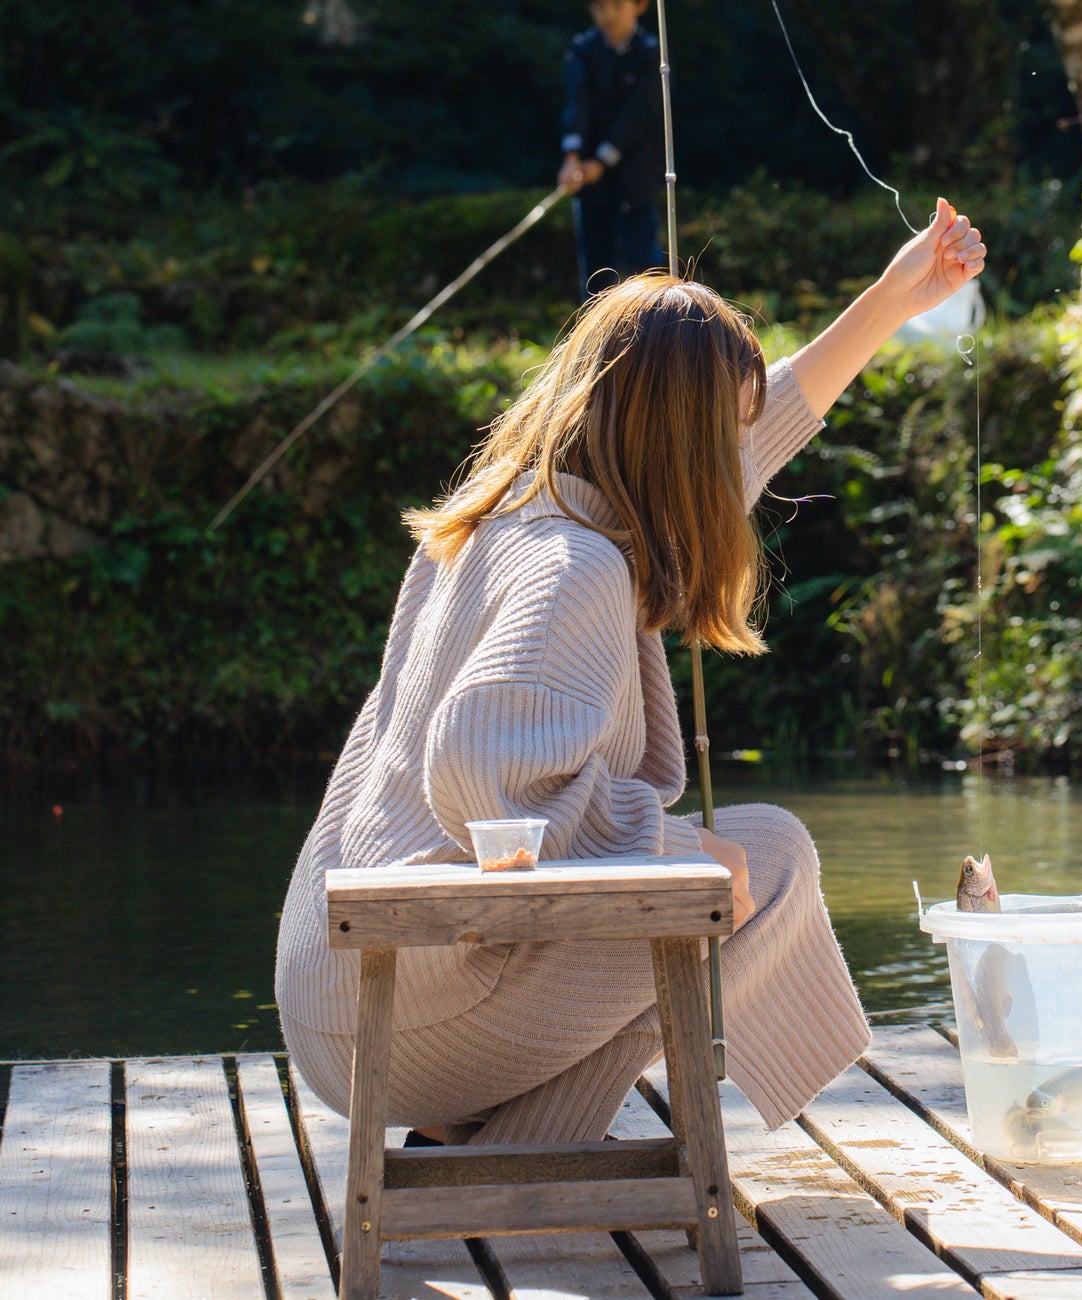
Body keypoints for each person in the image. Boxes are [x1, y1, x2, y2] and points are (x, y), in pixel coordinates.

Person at [275, 199, 987, 1144]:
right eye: (718, 434)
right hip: (412, 1013)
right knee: (762, 862)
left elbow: (756, 430)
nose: (733, 459)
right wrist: (660, 843)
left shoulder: (508, 519)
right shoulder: (577, 568)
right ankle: (524, 1153)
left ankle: (494, 1141)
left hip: (344, 991)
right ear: (676, 450)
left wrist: (896, 298)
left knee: (701, 882)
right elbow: (480, 769)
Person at [558, 0, 664, 298]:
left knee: (644, 267)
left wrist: (601, 161)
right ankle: (596, 343)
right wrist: (572, 158)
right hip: (590, 181)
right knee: (595, 274)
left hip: (636, 175)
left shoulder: (651, 52)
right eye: (600, 7)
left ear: (639, 6)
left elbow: (638, 115)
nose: (609, 15)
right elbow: (576, 104)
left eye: (618, 5)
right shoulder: (583, 49)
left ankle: (655, 339)